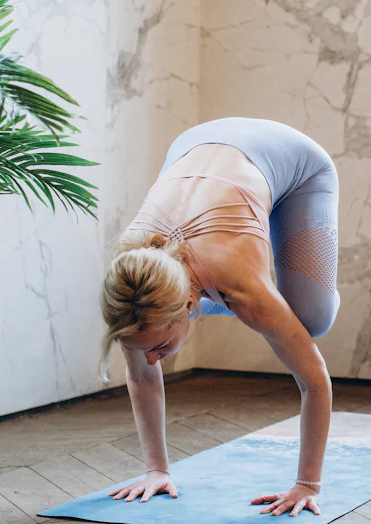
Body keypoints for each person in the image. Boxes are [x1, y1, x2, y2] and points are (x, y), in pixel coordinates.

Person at [99, 117, 340, 517]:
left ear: (187, 307)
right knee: (150, 331)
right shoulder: (130, 284)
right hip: (192, 145)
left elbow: (314, 380)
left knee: (310, 320)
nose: (155, 358)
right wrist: (156, 470)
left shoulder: (240, 280)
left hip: (295, 160)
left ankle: (313, 292)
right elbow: (142, 374)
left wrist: (306, 484)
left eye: (160, 347)